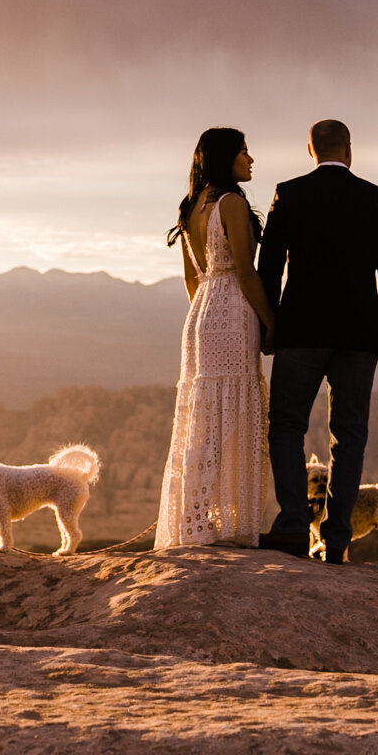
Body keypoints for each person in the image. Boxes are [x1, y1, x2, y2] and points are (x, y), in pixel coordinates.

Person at [255, 119, 378, 563]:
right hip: (360, 335)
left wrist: (269, 326)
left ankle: (293, 529)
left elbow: (270, 267)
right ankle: (337, 539)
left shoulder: (291, 192)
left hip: (300, 331)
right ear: (350, 149)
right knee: (350, 435)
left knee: (285, 427)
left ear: (310, 150)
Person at [155, 125, 275, 549]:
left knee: (203, 420)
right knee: (234, 415)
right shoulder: (232, 203)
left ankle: (195, 523)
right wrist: (270, 323)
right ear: (227, 157)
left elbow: (192, 278)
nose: (251, 159)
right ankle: (231, 528)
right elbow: (245, 271)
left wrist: (204, 317)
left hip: (200, 315)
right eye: (244, 151)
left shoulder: (191, 207)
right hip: (231, 309)